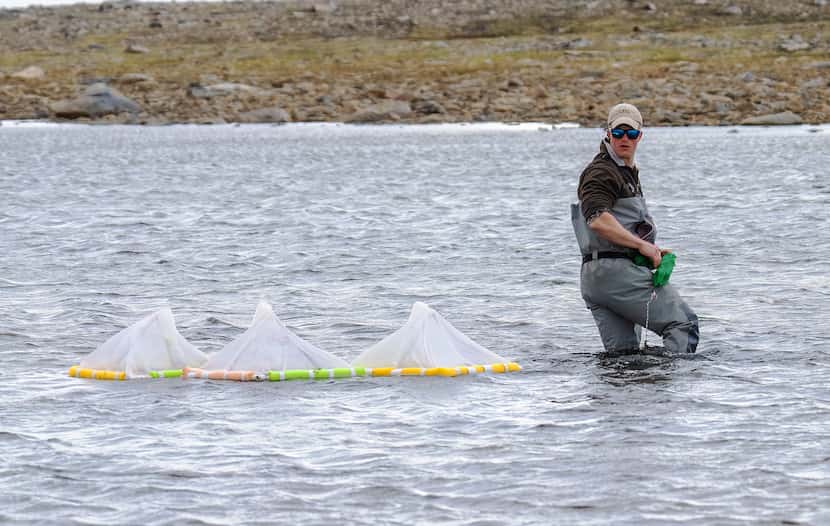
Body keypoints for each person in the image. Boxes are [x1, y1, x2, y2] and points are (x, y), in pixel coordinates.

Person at [571, 103, 699, 354]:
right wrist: (642, 246)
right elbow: (597, 219)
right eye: (618, 133)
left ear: (640, 135)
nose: (624, 139)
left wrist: (650, 249)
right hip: (617, 274)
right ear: (608, 134)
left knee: (624, 356)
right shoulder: (602, 172)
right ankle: (677, 391)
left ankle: (617, 394)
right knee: (683, 324)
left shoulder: (625, 172)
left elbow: (622, 226)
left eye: (630, 133)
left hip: (597, 279)